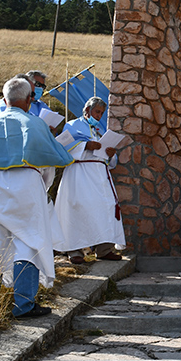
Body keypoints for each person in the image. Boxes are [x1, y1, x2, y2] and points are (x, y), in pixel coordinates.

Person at [0, 77, 74, 318]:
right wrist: (44, 187)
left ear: (4, 97)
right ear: (30, 99)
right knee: (29, 243)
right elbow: (50, 163)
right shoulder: (34, 123)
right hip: (26, 186)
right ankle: (24, 304)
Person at [55, 97, 126, 265]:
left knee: (106, 207)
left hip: (100, 175)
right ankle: (75, 250)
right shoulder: (72, 125)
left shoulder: (100, 130)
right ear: (87, 110)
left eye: (101, 113)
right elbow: (61, 146)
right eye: (97, 112)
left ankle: (104, 249)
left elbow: (110, 161)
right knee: (77, 207)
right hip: (79, 173)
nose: (99, 115)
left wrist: (110, 154)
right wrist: (85, 146)